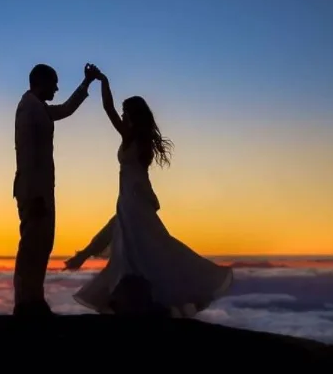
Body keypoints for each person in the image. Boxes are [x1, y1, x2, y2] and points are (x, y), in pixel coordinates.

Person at [70, 67, 233, 317]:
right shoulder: (139, 139)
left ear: (133, 115)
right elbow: (113, 113)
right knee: (139, 252)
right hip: (132, 199)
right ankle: (134, 301)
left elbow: (108, 109)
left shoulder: (132, 138)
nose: (122, 116)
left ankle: (135, 302)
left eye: (126, 113)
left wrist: (102, 81)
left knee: (139, 252)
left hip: (133, 201)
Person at [12, 62, 99, 318]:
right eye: (54, 83)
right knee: (32, 247)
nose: (57, 88)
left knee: (41, 245)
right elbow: (27, 154)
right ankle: (26, 304)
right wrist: (36, 195)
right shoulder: (29, 108)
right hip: (33, 191)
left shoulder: (37, 107)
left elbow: (65, 110)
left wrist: (86, 84)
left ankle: (33, 300)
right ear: (42, 81)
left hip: (39, 190)